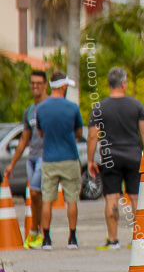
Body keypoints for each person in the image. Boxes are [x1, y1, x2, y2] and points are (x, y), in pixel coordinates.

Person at [87, 67, 144, 250]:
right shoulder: (136, 105)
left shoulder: (100, 106)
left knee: (112, 197)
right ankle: (139, 239)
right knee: (135, 197)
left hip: (110, 158)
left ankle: (113, 239)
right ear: (123, 84)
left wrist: (91, 160)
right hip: (133, 156)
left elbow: (93, 135)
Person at [34, 72, 84, 250]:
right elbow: (79, 133)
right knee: (71, 199)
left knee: (47, 199)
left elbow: (40, 133)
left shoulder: (41, 108)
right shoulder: (72, 107)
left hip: (49, 159)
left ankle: (46, 237)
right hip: (69, 157)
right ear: (63, 87)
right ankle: (72, 237)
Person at [3, 70, 49, 248]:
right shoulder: (29, 111)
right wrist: (12, 164)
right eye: (32, 83)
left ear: (45, 85)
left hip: (47, 157)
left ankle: (43, 233)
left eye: (39, 83)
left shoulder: (49, 106)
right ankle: (36, 231)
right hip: (33, 157)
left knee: (40, 194)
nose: (35, 86)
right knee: (35, 196)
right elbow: (24, 139)